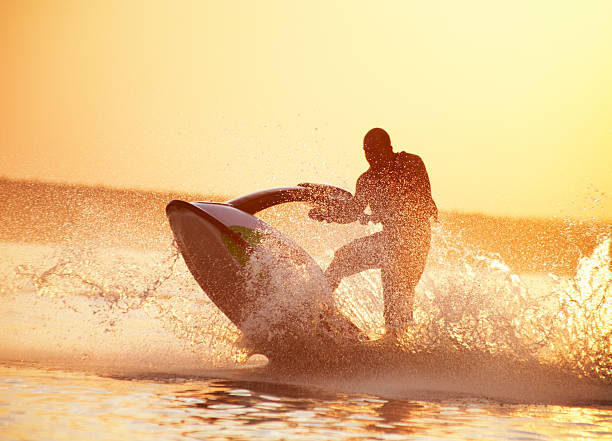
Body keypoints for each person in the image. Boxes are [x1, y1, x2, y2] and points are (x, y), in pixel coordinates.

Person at [309, 128, 437, 336]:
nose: (371, 157)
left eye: (376, 151)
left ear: (389, 148)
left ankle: (398, 343)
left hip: (415, 241)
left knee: (397, 303)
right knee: (343, 258)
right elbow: (351, 212)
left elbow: (423, 203)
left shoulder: (411, 164)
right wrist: (328, 214)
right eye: (367, 152)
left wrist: (389, 213)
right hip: (390, 241)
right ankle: (314, 306)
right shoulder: (367, 180)